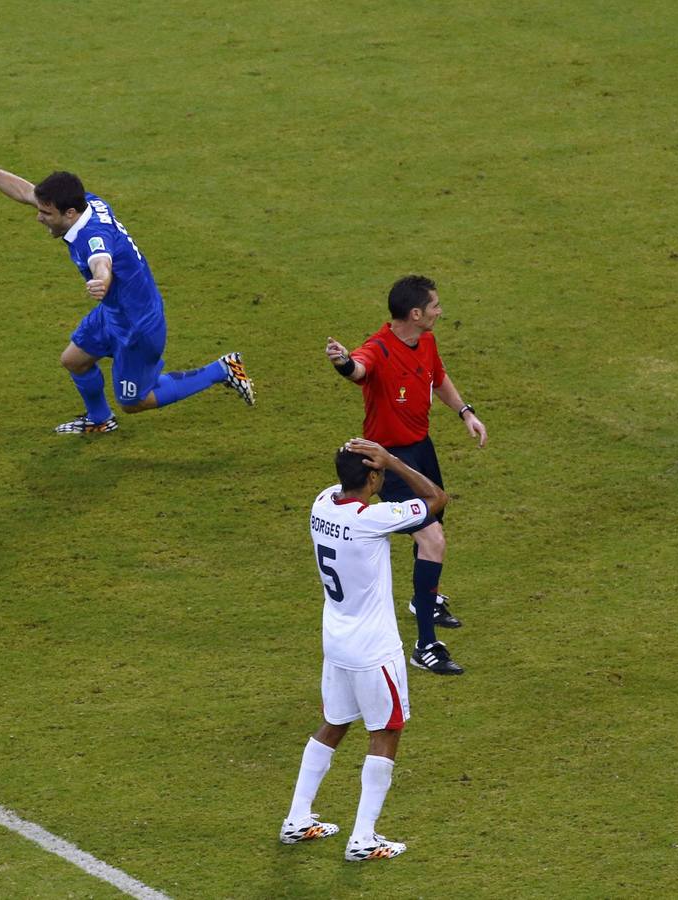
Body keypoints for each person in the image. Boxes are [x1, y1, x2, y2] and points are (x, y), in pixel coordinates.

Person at [0, 146, 255, 433]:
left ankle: (222, 369)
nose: (38, 216)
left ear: (69, 214)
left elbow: (102, 260)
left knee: (134, 402)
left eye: (46, 213)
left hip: (137, 325)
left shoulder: (92, 236)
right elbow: (25, 192)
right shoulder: (85, 203)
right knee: (74, 360)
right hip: (115, 311)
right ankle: (99, 420)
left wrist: (102, 281)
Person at [280, 438, 449, 861]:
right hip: (373, 648)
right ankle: (364, 838)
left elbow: (347, 484)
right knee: (386, 731)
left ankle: (297, 818)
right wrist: (393, 459)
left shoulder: (321, 503)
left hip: (335, 640)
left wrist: (368, 464)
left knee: (334, 723)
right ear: (372, 477)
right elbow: (435, 498)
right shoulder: (373, 519)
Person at [324, 275, 487, 675]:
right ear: (415, 314)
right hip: (387, 458)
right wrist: (344, 362)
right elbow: (360, 370)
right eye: (434, 306)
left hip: (420, 447)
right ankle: (426, 646)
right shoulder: (378, 348)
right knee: (431, 537)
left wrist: (465, 412)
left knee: (435, 524)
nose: (439, 311)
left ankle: (422, 600)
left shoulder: (425, 341)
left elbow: (437, 377)